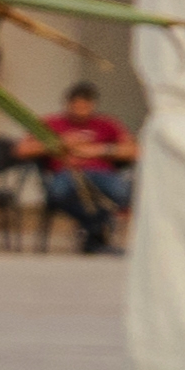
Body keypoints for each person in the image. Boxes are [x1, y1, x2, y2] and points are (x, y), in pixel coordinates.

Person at [41, 86, 139, 250]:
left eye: (84, 107)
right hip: (67, 173)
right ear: (67, 104)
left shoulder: (107, 124)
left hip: (102, 172)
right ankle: (95, 228)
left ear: (93, 105)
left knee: (122, 192)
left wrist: (99, 150)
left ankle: (93, 230)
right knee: (58, 192)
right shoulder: (53, 123)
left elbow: (134, 151)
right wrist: (60, 144)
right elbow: (22, 149)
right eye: (76, 106)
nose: (80, 111)